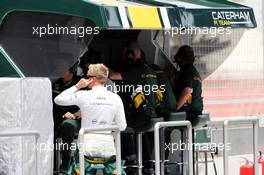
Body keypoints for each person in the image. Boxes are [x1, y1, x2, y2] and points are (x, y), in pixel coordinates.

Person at [110, 42, 176, 174]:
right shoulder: (151, 69)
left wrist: (101, 68)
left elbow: (112, 76)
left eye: (125, 55)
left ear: (130, 56)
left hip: (142, 116)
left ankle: (130, 160)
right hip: (153, 115)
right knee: (138, 129)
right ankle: (147, 164)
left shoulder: (135, 69)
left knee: (119, 124)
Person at [54, 64, 127, 174]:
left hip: (86, 148)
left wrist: (77, 86)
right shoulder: (115, 98)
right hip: (108, 148)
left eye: (87, 77)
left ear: (93, 79)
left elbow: (58, 100)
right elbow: (122, 126)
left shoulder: (83, 95)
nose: (84, 79)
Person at [173, 45, 203, 123]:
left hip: (187, 113)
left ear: (179, 58)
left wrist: (174, 109)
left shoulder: (187, 71)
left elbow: (186, 92)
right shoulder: (194, 71)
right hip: (195, 112)